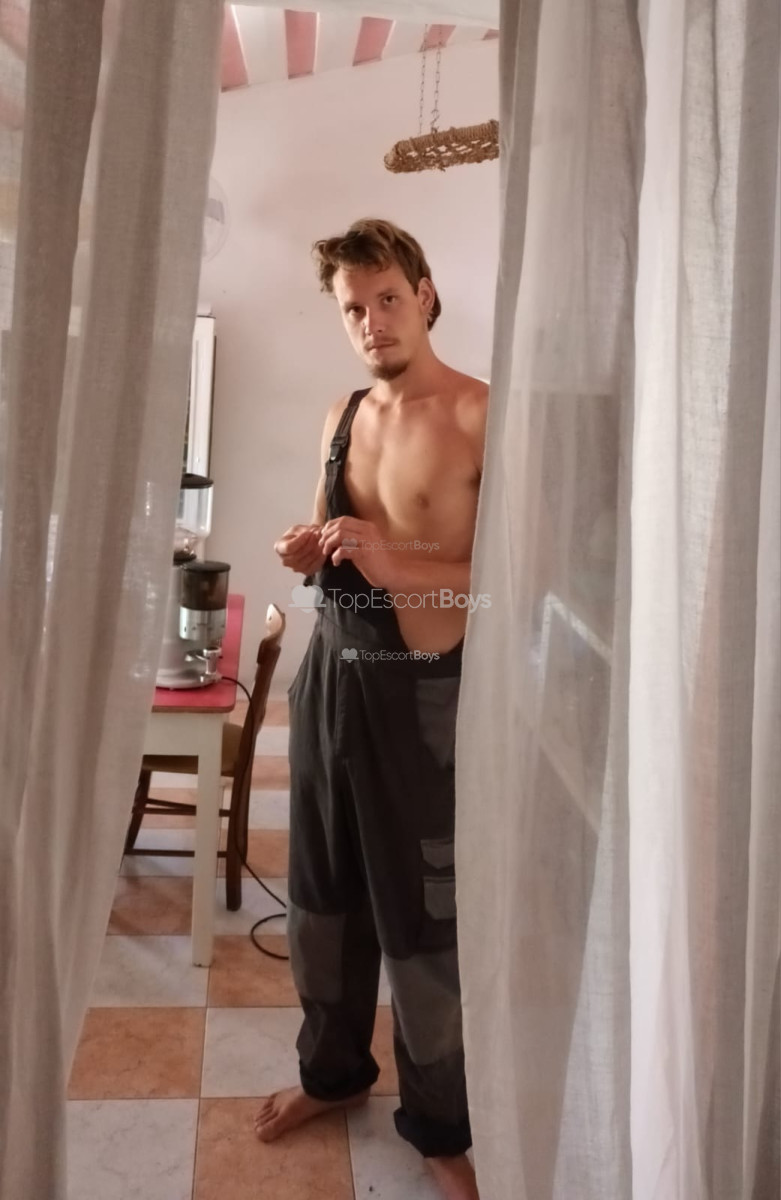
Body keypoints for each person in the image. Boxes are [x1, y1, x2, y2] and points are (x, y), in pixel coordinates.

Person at [260, 218, 488, 1200]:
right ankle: (333, 1073)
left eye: (387, 298)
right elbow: (332, 541)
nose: (371, 321)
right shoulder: (341, 415)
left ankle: (440, 1125)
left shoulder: (481, 414)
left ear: (424, 295)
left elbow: (517, 581)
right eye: (353, 308)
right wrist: (304, 549)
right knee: (321, 898)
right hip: (332, 677)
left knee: (424, 920)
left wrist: (398, 564)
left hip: (424, 693)